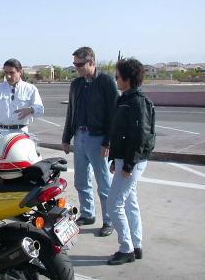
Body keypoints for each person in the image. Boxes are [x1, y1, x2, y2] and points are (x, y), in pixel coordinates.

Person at [62, 47, 118, 237]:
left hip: (98, 138)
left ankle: (109, 220)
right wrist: (66, 137)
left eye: (80, 64)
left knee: (104, 182)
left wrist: (108, 142)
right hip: (80, 136)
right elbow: (71, 111)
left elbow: (113, 114)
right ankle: (87, 213)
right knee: (80, 179)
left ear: (92, 62)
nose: (76, 68)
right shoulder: (76, 84)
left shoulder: (106, 82)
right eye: (74, 64)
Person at [107, 58, 155, 265]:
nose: (115, 79)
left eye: (117, 76)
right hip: (124, 159)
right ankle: (136, 245)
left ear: (127, 79)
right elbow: (120, 133)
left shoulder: (137, 102)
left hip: (132, 161)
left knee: (113, 205)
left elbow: (140, 137)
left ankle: (126, 248)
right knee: (129, 202)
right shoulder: (125, 98)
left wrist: (127, 164)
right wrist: (115, 159)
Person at [0, 58, 44, 134]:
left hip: (21, 133)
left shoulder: (31, 89)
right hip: (1, 133)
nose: (8, 76)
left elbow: (40, 109)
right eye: (6, 73)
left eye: (12, 73)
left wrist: (31, 110)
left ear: (20, 72)